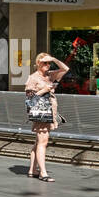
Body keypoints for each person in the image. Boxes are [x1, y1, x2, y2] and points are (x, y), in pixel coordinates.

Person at [25, 52, 69, 183]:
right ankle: (43, 173)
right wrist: (44, 89)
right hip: (41, 113)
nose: (48, 65)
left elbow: (65, 69)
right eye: (45, 63)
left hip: (49, 112)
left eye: (49, 63)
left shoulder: (50, 75)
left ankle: (32, 170)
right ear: (38, 63)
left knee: (39, 142)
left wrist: (54, 58)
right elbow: (29, 99)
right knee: (43, 142)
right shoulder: (33, 78)